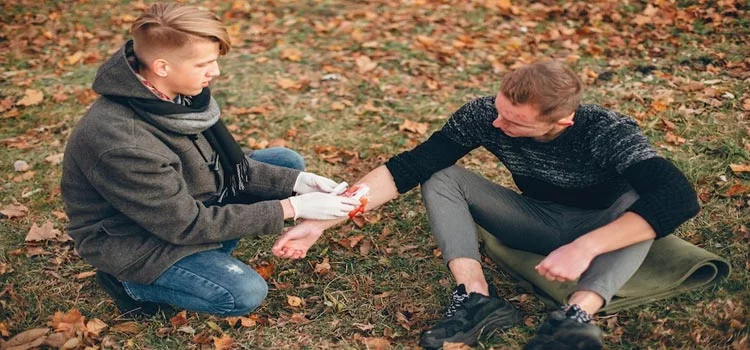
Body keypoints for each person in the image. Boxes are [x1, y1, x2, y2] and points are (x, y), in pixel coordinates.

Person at [271, 60, 699, 349]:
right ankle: (476, 299)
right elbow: (409, 166)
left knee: (646, 198)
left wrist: (587, 246)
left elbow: (678, 198)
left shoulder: (606, 131)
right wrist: (320, 222)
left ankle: (573, 317)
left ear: (561, 122)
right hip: (539, 219)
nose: (498, 124)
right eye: (499, 111)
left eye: (514, 122)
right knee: (440, 175)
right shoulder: (483, 114)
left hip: (608, 225)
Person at [61, 3, 361, 318]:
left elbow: (218, 165)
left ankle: (210, 252)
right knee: (242, 292)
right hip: (136, 239)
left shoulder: (173, 94)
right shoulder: (123, 142)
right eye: (205, 63)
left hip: (182, 199)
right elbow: (186, 224)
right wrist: (293, 208)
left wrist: (298, 183)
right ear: (162, 67)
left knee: (286, 163)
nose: (215, 72)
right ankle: (128, 283)